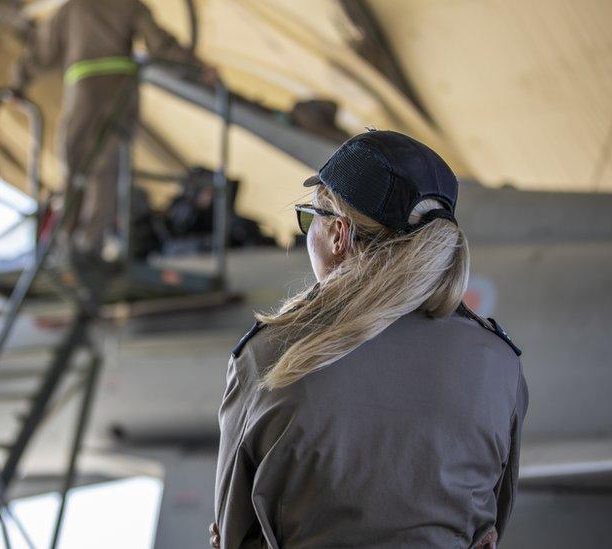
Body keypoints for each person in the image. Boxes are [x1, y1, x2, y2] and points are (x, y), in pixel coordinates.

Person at [211, 130, 528, 548]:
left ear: (339, 234)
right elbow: (491, 529)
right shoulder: (500, 363)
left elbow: (233, 533)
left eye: (310, 219)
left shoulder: (271, 356)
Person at [8, 0, 212, 261]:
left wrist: (17, 82)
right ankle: (89, 243)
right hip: (120, 91)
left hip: (83, 91)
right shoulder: (129, 5)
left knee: (74, 165)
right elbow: (160, 44)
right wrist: (197, 68)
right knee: (107, 168)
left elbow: (41, 50)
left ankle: (66, 241)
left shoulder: (73, 8)